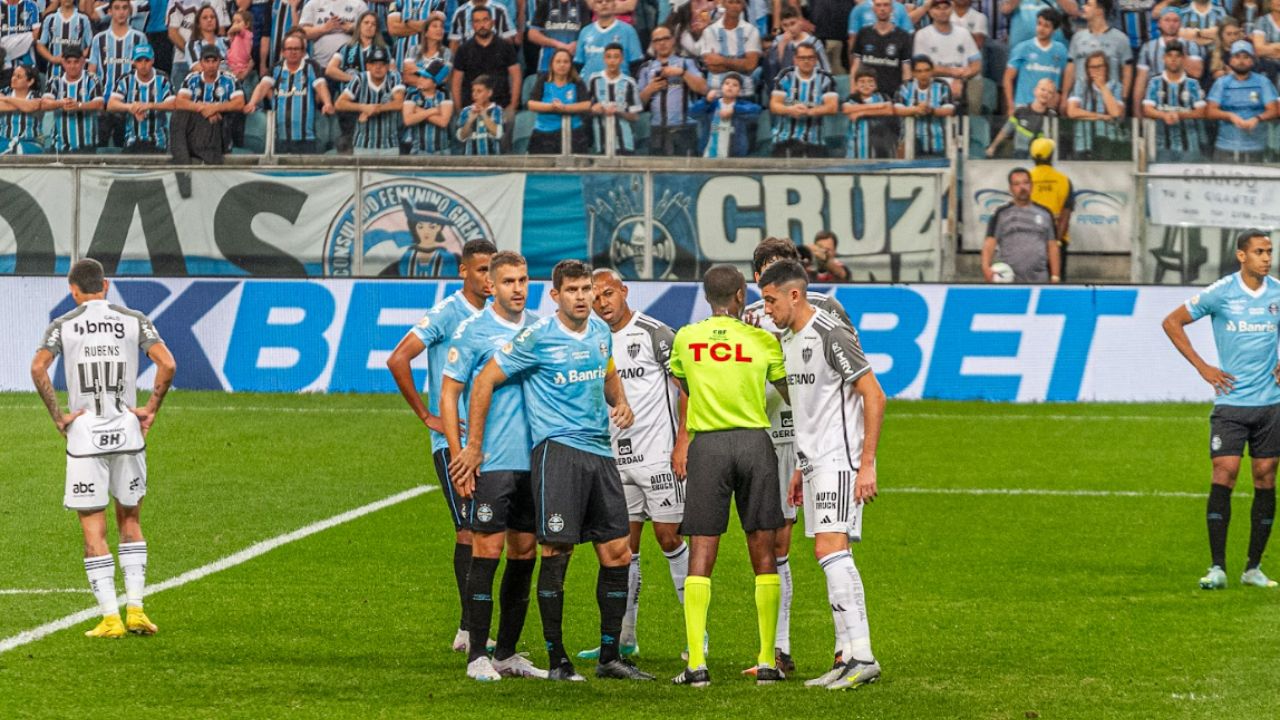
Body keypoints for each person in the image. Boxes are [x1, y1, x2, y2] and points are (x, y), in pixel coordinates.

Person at [456, 258, 654, 682]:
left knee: (617, 551)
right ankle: (558, 659)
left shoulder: (600, 332)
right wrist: (474, 446)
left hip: (600, 453)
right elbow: (485, 380)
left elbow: (609, 373)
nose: (585, 298)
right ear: (556, 295)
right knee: (556, 551)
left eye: (589, 290)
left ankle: (609, 656)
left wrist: (620, 402)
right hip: (558, 452)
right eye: (575, 291)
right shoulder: (537, 337)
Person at [30, 258, 177, 640]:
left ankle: (110, 618)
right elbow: (168, 364)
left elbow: (37, 368)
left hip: (86, 437)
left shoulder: (63, 325)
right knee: (130, 519)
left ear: (73, 290)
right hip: (128, 431)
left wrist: (59, 416)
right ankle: (137, 611)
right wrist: (150, 409)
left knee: (92, 528)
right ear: (106, 285)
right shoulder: (135, 320)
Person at [759, 258, 885, 691]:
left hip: (841, 461)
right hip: (813, 462)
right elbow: (809, 411)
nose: (767, 309)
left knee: (832, 552)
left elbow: (874, 395)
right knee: (829, 554)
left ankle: (863, 656)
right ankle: (850, 656)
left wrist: (866, 463)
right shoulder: (788, 339)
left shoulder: (830, 332)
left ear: (795, 295)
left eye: (771, 300)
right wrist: (797, 465)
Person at [668, 263, 788, 688]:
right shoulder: (763, 340)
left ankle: (697, 663)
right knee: (763, 549)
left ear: (706, 297)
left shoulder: (686, 338)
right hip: (755, 443)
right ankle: (766, 661)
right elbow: (788, 391)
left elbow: (683, 382)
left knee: (702, 549)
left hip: (709, 446)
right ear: (741, 296)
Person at [740, 237, 853, 675]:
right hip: (767, 439)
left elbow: (852, 372)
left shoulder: (825, 309)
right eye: (768, 266)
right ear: (756, 277)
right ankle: (780, 650)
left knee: (831, 543)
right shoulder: (750, 317)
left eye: (783, 264)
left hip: (817, 441)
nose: (775, 272)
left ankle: (847, 647)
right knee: (775, 543)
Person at [439, 251, 547, 682]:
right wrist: (458, 452)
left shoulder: (542, 327)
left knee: (525, 553)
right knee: (487, 550)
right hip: (493, 461)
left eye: (523, 280)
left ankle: (505, 653)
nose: (518, 289)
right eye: (508, 282)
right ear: (492, 287)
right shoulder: (472, 331)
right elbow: (450, 394)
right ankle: (476, 656)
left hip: (536, 460)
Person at [575, 268, 691, 662]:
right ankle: (624, 637)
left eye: (608, 294)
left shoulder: (656, 334)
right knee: (623, 549)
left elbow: (688, 388)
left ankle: (697, 636)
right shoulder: (590, 339)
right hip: (614, 460)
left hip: (660, 457)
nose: (602, 303)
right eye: (595, 297)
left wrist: (683, 443)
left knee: (669, 538)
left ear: (625, 291)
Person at [386, 239, 496, 653]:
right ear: (463, 272)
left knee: (489, 532)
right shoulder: (448, 313)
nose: (488, 278)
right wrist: (427, 415)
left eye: (493, 270)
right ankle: (469, 629)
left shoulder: (501, 315)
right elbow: (398, 358)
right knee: (468, 531)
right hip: (454, 443)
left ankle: (475, 627)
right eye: (481, 270)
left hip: (495, 443)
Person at [1162, 229, 1280, 591]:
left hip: (1270, 405)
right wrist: (1204, 368)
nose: (1266, 257)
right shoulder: (1221, 292)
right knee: (1224, 473)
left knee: (1265, 477)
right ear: (1242, 255)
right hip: (1230, 404)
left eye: (1269, 251)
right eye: (1259, 251)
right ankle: (1217, 567)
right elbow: (1172, 322)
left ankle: (1253, 568)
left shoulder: (1277, 291)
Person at [244, 32, 335, 154]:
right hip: (280, 138)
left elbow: (321, 85)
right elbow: (263, 86)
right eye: (289, 49)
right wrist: (252, 103)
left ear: (303, 52)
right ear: (283, 52)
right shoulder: (276, 68)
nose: (293, 52)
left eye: (297, 49)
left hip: (306, 138)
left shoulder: (312, 67)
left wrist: (327, 103)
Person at [637, 24, 706, 157]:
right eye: (657, 40)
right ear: (653, 44)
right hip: (657, 129)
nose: (662, 43)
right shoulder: (646, 68)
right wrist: (649, 89)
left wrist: (682, 73)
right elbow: (638, 104)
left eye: (666, 38)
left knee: (686, 174)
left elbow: (703, 89)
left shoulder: (687, 63)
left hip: (685, 128)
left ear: (673, 40)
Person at [982, 167, 1060, 283]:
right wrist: (985, 268)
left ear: (1032, 186)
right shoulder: (1001, 214)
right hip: (1008, 281)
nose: (1022, 187)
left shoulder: (1045, 213)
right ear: (1011, 189)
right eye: (1017, 184)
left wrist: (1055, 276)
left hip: (1039, 280)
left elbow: (1052, 246)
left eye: (1025, 183)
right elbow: (989, 244)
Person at [171, 44, 244, 164]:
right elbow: (179, 102)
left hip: (220, 128)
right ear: (201, 62)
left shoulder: (229, 79)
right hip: (196, 129)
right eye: (207, 61)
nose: (211, 65)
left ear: (220, 61)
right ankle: (182, 162)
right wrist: (204, 108)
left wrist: (215, 108)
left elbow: (239, 103)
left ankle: (209, 161)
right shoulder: (192, 78)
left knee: (214, 120)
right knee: (179, 116)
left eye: (214, 61)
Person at [88, 0, 147, 148]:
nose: (121, 12)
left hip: (130, 103)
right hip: (105, 104)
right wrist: (96, 99)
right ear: (110, 11)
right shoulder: (98, 39)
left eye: (124, 8)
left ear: (129, 11)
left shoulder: (139, 38)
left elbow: (144, 71)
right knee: (99, 149)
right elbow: (92, 72)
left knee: (126, 149)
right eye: (117, 8)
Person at [1207, 40, 1277, 163]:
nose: (1241, 61)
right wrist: (1230, 116)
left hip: (1257, 147)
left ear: (1252, 60)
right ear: (1230, 60)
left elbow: (1274, 110)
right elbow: (1210, 111)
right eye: (1237, 56)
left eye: (1246, 57)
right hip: (1225, 146)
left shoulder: (1263, 82)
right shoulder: (1221, 83)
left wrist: (1257, 118)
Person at [912, 0, 983, 115]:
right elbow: (921, 67)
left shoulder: (963, 33)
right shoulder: (922, 35)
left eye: (945, 7)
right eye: (937, 8)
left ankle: (972, 124)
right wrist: (952, 74)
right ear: (930, 11)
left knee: (976, 83)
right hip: (934, 81)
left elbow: (976, 64)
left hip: (962, 82)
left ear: (952, 8)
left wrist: (963, 77)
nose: (942, 11)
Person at [450, 6, 520, 121]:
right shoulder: (463, 50)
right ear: (472, 25)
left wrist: (513, 105)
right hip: (471, 108)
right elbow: (456, 82)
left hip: (501, 107)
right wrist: (459, 111)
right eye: (477, 21)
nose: (482, 24)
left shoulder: (505, 46)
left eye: (485, 20)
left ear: (492, 22)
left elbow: (516, 76)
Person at [768, 42, 838, 157]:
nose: (806, 61)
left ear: (816, 60)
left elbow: (832, 107)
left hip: (815, 140)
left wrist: (809, 112)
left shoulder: (826, 78)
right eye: (802, 58)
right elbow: (774, 105)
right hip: (784, 139)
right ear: (795, 59)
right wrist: (790, 110)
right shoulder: (785, 75)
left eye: (810, 58)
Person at [1061, 0, 1133, 107]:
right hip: (1081, 102)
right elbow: (1071, 69)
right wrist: (1064, 97)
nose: (1083, 7)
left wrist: (1123, 99)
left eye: (1088, 5)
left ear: (1100, 10)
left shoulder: (1121, 39)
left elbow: (1127, 71)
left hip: (1109, 103)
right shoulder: (1077, 38)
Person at [335, 43, 404, 155]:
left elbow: (399, 103)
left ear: (387, 66)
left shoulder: (394, 77)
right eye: (374, 63)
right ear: (368, 66)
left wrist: (377, 108)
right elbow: (339, 104)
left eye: (382, 64)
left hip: (390, 145)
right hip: (363, 144)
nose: (378, 67)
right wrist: (363, 107)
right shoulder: (360, 79)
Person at [1142, 39, 1205, 162]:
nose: (1173, 59)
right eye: (1169, 55)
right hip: (1161, 146)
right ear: (1163, 58)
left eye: (1177, 56)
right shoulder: (1154, 82)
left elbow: (1202, 112)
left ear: (1183, 59)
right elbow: (1147, 110)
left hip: (1189, 147)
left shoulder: (1193, 84)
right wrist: (1164, 115)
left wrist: (1179, 115)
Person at [106, 43, 175, 153]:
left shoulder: (162, 79)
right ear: (133, 62)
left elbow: (173, 104)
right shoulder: (126, 79)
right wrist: (130, 107)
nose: (143, 65)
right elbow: (110, 104)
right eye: (139, 61)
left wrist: (149, 105)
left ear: (152, 60)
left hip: (158, 142)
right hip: (132, 141)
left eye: (146, 60)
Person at [526, 46, 591, 153]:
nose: (562, 65)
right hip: (544, 132)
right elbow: (531, 104)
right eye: (558, 61)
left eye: (566, 62)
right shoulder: (543, 80)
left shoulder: (577, 82)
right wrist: (552, 107)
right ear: (552, 64)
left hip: (573, 132)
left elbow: (586, 104)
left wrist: (564, 108)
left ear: (571, 64)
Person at [1134, 9, 1203, 108]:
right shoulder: (1148, 47)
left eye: (1175, 21)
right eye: (1167, 20)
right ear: (1159, 23)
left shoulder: (1191, 45)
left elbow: (1197, 73)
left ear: (1181, 24)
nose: (1171, 24)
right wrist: (1137, 112)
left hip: (1186, 103)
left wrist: (1177, 48)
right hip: (1156, 104)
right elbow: (1140, 82)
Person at [42, 44, 103, 153]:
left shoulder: (91, 79)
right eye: (68, 62)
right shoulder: (55, 80)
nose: (72, 66)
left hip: (87, 145)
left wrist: (79, 106)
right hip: (59, 146)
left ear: (83, 62)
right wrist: (61, 103)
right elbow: (44, 104)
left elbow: (99, 104)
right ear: (63, 63)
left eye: (76, 62)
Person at [1003, 9, 1069, 111]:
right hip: (1023, 106)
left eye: (1046, 26)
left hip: (1048, 109)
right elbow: (1008, 78)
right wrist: (1010, 105)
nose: (1041, 29)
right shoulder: (1022, 48)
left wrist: (1061, 95)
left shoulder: (1061, 50)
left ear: (1054, 30)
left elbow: (1068, 74)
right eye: (1039, 24)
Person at [1066, 49, 1126, 159]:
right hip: (1083, 143)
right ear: (1087, 69)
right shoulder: (1080, 84)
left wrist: (1103, 87)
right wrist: (1101, 117)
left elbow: (1116, 113)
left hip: (1109, 142)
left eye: (1100, 66)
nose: (1096, 70)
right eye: (1092, 67)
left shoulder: (1116, 86)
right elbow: (1072, 112)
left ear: (1106, 67)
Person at [1027, 138, 1074, 278]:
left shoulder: (1026, 180)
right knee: (1056, 285)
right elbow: (1065, 216)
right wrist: (1057, 242)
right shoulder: (1063, 180)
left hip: (1030, 239)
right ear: (1051, 155)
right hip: (1056, 239)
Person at [894, 54, 955, 158]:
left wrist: (930, 110)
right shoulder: (905, 87)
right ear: (913, 73)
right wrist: (916, 110)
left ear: (932, 71)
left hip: (938, 145)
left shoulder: (942, 86)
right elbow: (896, 109)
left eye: (927, 70)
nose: (923, 74)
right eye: (919, 71)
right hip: (911, 146)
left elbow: (949, 110)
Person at [696, 0, 761, 96]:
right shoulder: (710, 31)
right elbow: (712, 66)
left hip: (744, 93)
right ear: (723, 3)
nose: (734, 6)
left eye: (738, 2)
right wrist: (740, 63)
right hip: (716, 93)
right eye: (730, 2)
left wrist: (721, 60)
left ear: (743, 5)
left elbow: (750, 65)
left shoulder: (752, 31)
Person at [689, 71, 760, 157]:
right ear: (721, 87)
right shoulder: (712, 105)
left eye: (735, 85)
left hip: (734, 156)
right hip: (708, 154)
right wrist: (706, 101)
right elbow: (693, 113)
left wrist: (734, 110)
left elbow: (756, 110)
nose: (730, 86)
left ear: (739, 91)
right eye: (727, 83)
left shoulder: (742, 105)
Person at [588, 42, 640, 154]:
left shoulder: (629, 82)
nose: (612, 61)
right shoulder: (594, 80)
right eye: (608, 57)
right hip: (601, 142)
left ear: (622, 59)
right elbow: (586, 108)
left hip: (625, 143)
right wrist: (594, 109)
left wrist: (619, 111)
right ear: (604, 59)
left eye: (616, 57)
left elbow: (635, 117)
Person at [986, 75, 1056, 157]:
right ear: (1035, 91)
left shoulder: (1052, 116)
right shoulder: (1021, 111)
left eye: (1049, 92)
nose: (1045, 93)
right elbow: (1005, 130)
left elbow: (1053, 140)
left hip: (1040, 156)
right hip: (1019, 154)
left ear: (1052, 96)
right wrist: (992, 147)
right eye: (1043, 89)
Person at [575, 0, 642, 80]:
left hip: (620, 89)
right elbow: (578, 64)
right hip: (589, 88)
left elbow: (636, 64)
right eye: (599, 2)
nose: (604, 4)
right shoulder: (585, 32)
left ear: (614, 5)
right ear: (594, 7)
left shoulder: (628, 31)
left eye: (608, 1)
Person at [401, 54, 452, 154]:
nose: (420, 79)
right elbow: (408, 120)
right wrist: (433, 110)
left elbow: (443, 122)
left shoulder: (444, 94)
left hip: (442, 152)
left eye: (425, 78)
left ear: (435, 83)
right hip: (418, 151)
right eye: (420, 76)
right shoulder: (412, 94)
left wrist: (418, 110)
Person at [842, 69, 896, 159]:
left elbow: (889, 110)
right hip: (857, 147)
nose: (866, 85)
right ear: (855, 85)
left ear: (876, 85)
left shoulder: (883, 97)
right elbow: (847, 109)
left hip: (880, 146)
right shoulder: (852, 99)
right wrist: (880, 106)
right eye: (862, 81)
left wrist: (861, 113)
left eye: (870, 81)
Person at [299, 0, 369, 68]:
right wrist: (324, 29)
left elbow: (372, 30)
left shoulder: (359, 4)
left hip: (351, 65)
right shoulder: (313, 4)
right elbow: (302, 33)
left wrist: (352, 29)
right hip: (321, 65)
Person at [527, 0, 590, 74]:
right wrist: (556, 44)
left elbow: (588, 32)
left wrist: (577, 44)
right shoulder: (545, 3)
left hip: (574, 64)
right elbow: (532, 34)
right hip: (547, 64)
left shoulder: (581, 4)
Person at [38, 0, 95, 78]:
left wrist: (80, 56)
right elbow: (40, 44)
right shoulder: (49, 18)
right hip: (54, 73)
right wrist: (52, 58)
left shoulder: (84, 19)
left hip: (79, 73)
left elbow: (92, 44)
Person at [0, 63, 43, 154]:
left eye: (18, 77)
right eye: (13, 75)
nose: (13, 79)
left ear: (30, 81)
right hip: (3, 141)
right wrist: (24, 104)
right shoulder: (4, 92)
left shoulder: (36, 96)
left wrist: (7, 99)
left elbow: (32, 106)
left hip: (30, 142)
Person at [456, 73, 503, 153]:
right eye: (473, 91)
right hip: (470, 161)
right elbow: (461, 137)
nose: (475, 94)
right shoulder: (466, 111)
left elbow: (498, 134)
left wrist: (484, 115)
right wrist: (470, 121)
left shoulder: (496, 110)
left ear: (489, 93)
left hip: (492, 161)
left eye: (479, 91)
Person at [387, 0, 437, 68]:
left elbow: (436, 27)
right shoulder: (398, 2)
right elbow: (393, 29)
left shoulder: (437, 2)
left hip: (427, 58)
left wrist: (407, 22)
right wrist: (424, 26)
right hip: (401, 57)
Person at [449, 0, 516, 51]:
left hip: (496, 64)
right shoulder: (460, 13)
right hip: (468, 65)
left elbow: (508, 42)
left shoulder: (500, 10)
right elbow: (454, 45)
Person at [0, 0, 41, 70]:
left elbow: (36, 35)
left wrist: (7, 43)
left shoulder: (31, 5)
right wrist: (23, 41)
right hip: (3, 63)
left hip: (26, 61)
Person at [226, 10, 254, 81]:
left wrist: (230, 31)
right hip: (230, 65)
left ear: (247, 25)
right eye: (233, 22)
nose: (235, 24)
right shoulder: (236, 35)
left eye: (238, 22)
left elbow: (237, 28)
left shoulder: (247, 34)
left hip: (240, 67)